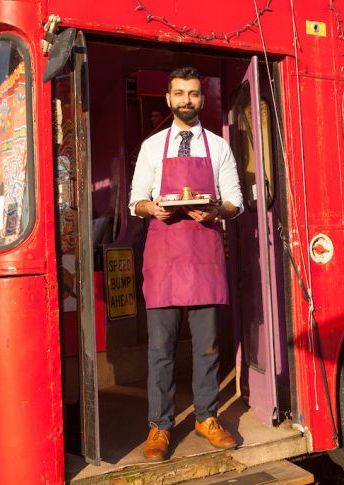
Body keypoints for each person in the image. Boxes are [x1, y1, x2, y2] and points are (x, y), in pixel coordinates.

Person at [129, 67, 243, 462]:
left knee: (208, 348)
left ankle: (206, 417)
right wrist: (152, 207)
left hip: (204, 255)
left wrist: (215, 210)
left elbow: (235, 201)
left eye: (193, 94)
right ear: (168, 98)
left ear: (201, 98)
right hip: (163, 257)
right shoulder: (150, 147)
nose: (187, 100)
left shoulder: (219, 147)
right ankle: (159, 426)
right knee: (160, 349)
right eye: (180, 93)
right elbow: (136, 200)